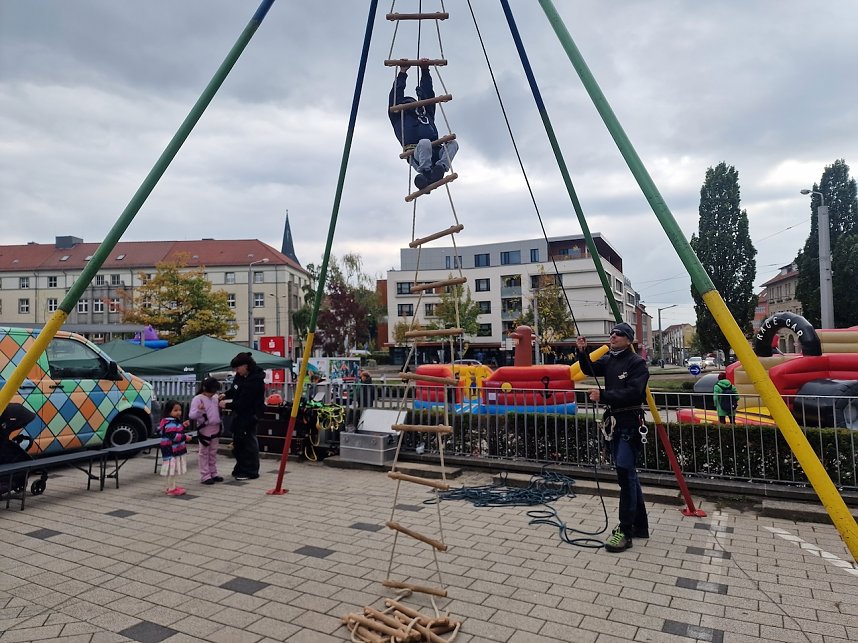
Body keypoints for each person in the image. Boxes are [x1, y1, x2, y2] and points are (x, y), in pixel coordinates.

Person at [576, 322, 650, 552]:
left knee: (625, 475)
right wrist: (582, 351)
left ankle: (625, 532)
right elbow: (589, 369)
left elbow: (634, 392)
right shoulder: (610, 359)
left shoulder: (637, 363)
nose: (613, 335)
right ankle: (640, 526)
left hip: (630, 422)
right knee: (627, 474)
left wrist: (604, 395)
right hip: (615, 424)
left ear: (628, 339)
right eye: (612, 333)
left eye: (618, 333)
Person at [389, 59, 459, 190]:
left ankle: (440, 168)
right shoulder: (399, 116)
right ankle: (426, 173)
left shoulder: (426, 112)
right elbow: (395, 95)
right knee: (425, 142)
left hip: (436, 151)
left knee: (453, 144)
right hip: (417, 153)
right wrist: (402, 73)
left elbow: (428, 94)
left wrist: (425, 70)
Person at [219, 352, 265, 481]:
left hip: (250, 414)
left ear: (245, 366)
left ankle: (251, 470)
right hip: (239, 414)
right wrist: (226, 395)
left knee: (248, 442)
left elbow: (245, 402)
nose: (236, 371)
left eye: (237, 368)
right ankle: (240, 467)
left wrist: (227, 405)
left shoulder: (256, 381)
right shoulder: (240, 377)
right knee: (238, 442)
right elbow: (235, 390)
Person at [189, 377, 224, 485]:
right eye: (211, 391)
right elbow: (192, 415)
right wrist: (200, 410)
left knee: (213, 452)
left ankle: (213, 473)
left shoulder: (215, 397)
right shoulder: (198, 399)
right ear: (204, 388)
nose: (212, 394)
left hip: (216, 428)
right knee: (204, 452)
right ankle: (205, 475)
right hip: (205, 429)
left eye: (214, 391)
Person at [158, 400, 189, 496]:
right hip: (171, 450)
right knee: (172, 469)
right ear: (169, 411)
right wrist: (185, 437)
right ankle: (171, 489)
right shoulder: (171, 422)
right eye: (175, 410)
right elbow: (174, 436)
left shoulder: (169, 421)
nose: (178, 412)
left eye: (179, 410)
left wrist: (182, 425)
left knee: (172, 469)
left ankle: (172, 486)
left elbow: (173, 431)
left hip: (169, 449)